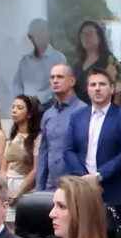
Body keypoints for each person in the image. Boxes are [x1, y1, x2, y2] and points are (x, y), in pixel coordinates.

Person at [76, 69, 121, 236]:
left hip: (115, 193)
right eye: (93, 85)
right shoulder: (77, 116)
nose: (97, 88)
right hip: (83, 191)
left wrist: (98, 176)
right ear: (87, 89)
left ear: (112, 88)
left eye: (102, 84)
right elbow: (68, 150)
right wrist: (85, 179)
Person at [36, 64, 88, 194]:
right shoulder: (48, 114)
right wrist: (39, 187)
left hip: (75, 186)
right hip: (51, 185)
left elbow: (86, 151)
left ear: (72, 81)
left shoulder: (83, 111)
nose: (55, 80)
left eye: (60, 77)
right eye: (52, 77)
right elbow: (43, 153)